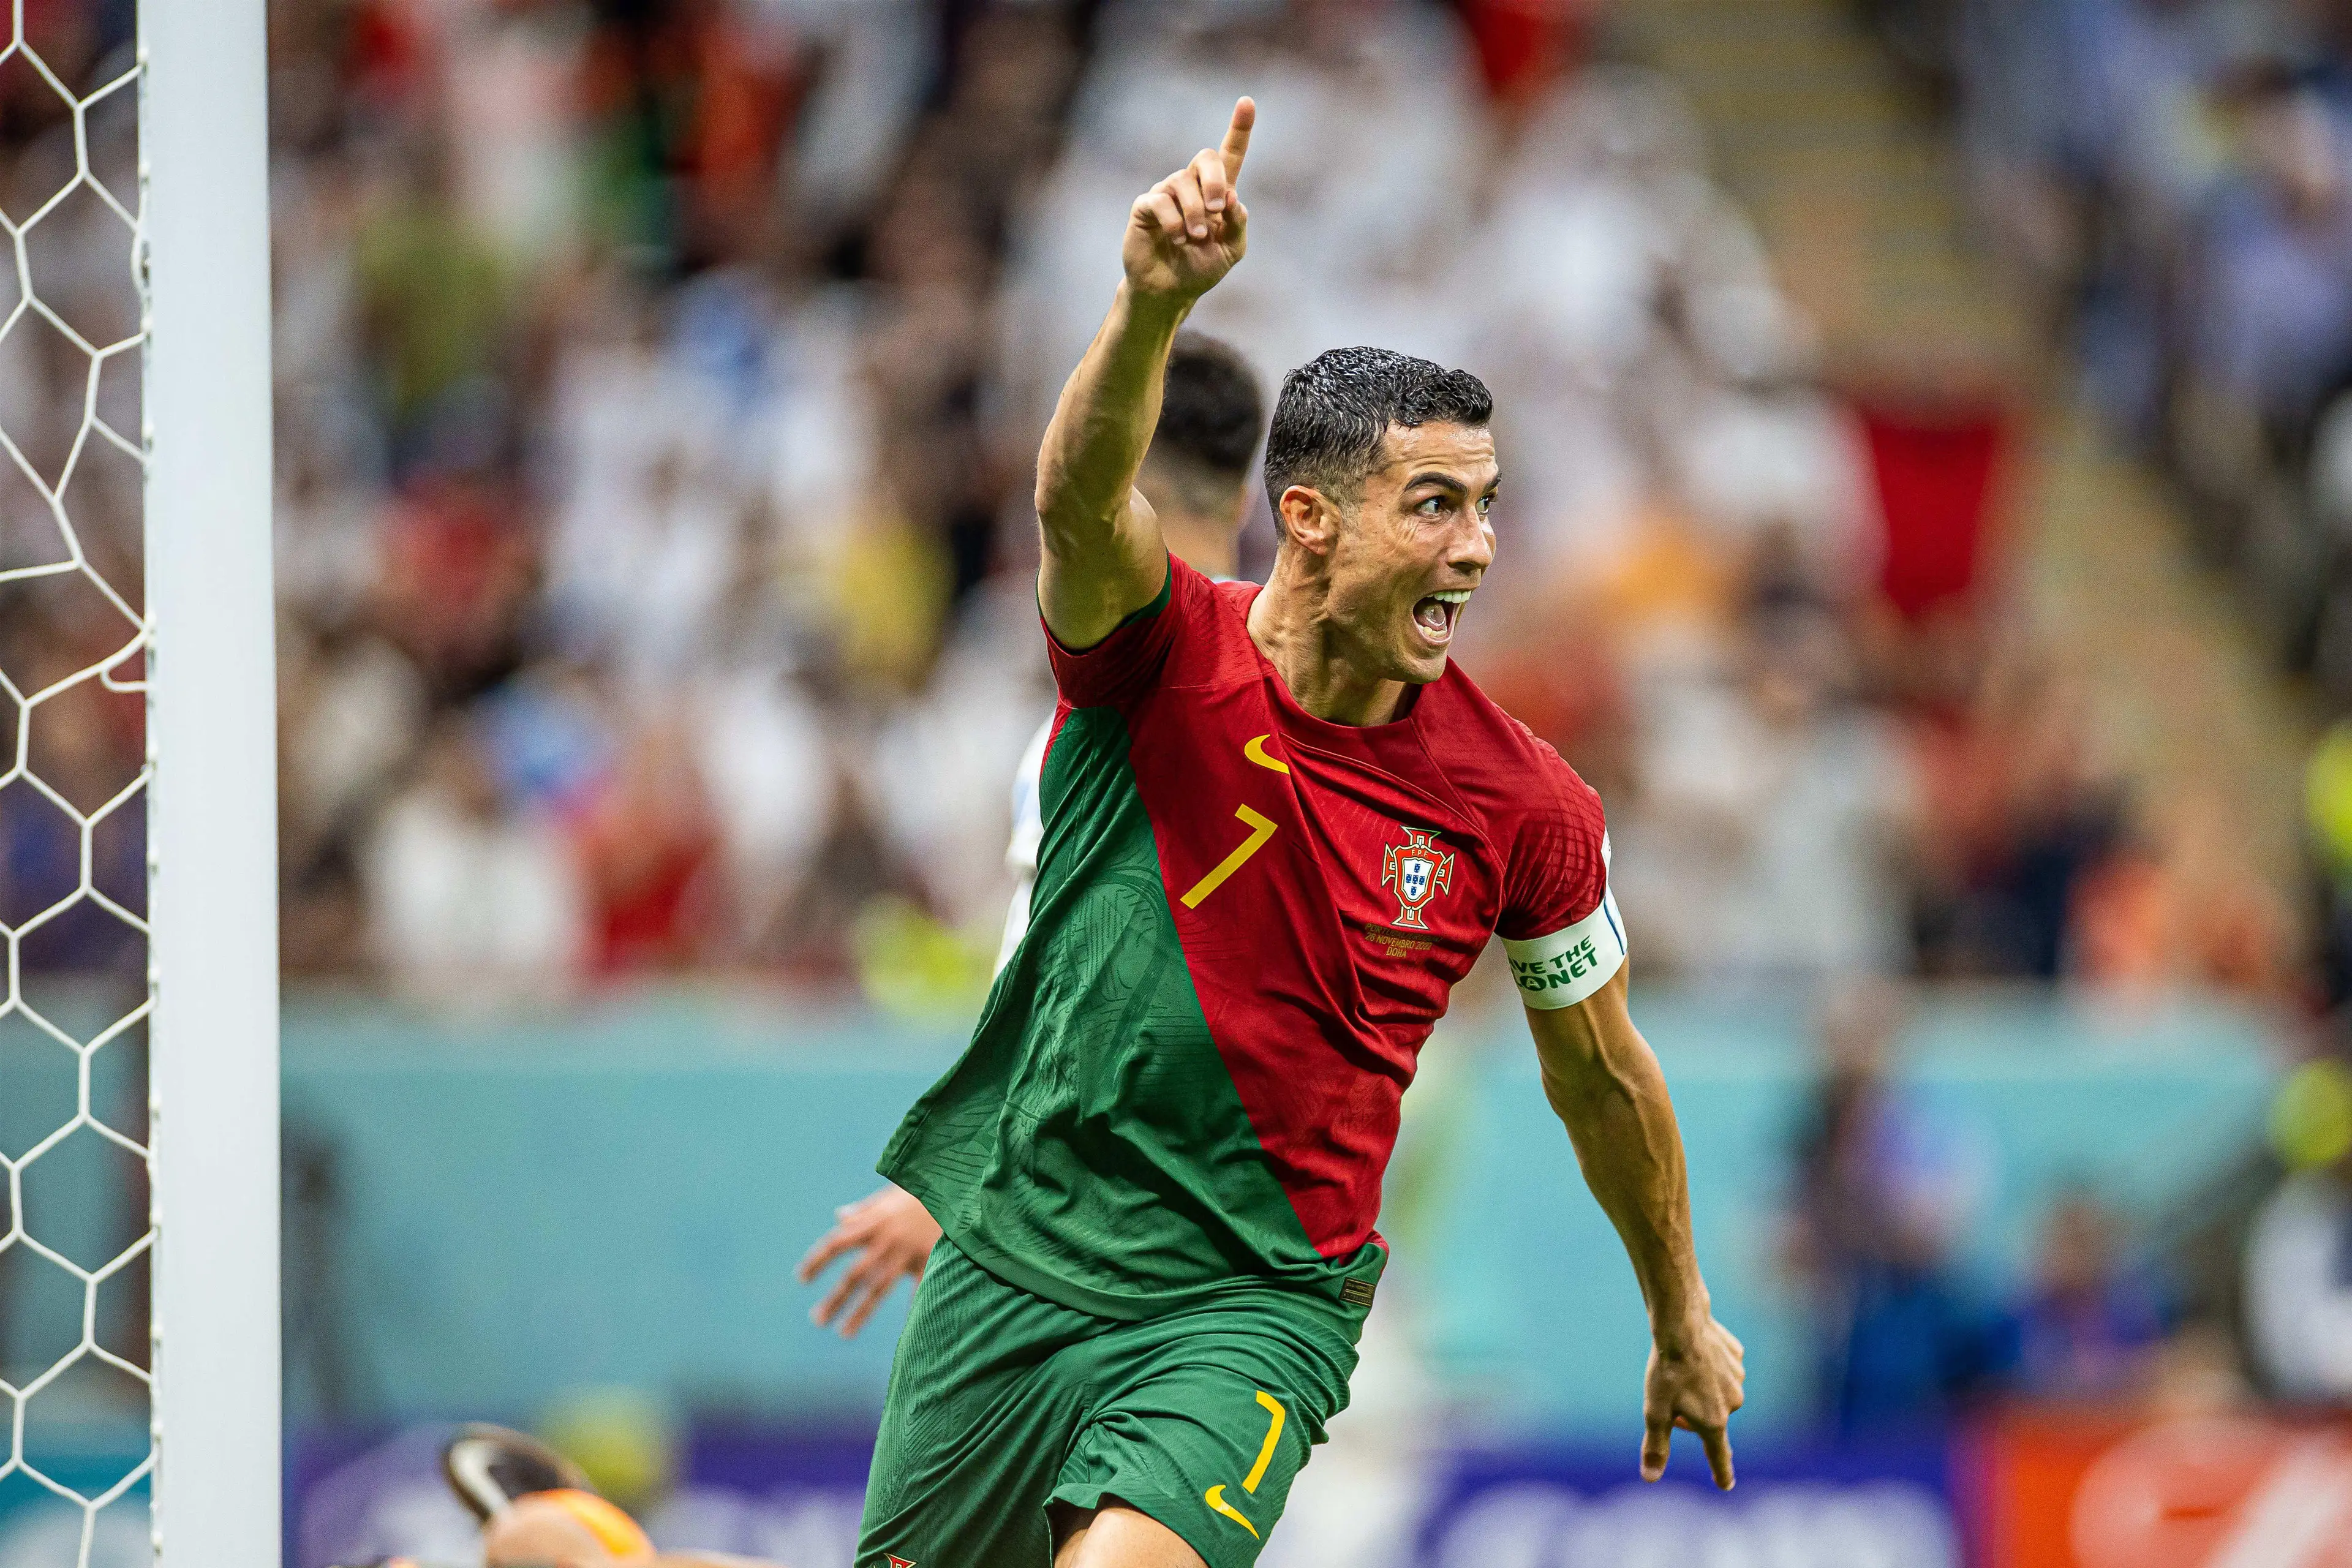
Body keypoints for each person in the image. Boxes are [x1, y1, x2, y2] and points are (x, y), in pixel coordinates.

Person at [841, 97, 1741, 1568]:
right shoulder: (1160, 657)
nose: (1476, 549)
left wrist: (1679, 1312)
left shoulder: (1528, 807)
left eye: (1488, 507)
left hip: (1250, 1301)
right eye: (1435, 505)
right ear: (1310, 517)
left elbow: (1604, 1077)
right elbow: (1075, 499)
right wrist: (1149, 305)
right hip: (1016, 1252)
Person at [797, 334, 1268, 1341]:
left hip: (1104, 1241)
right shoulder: (1334, 705)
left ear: (1109, 477)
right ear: (1242, 498)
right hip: (1289, 1258)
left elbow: (1051, 966)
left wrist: (956, 1173)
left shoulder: (1093, 726)